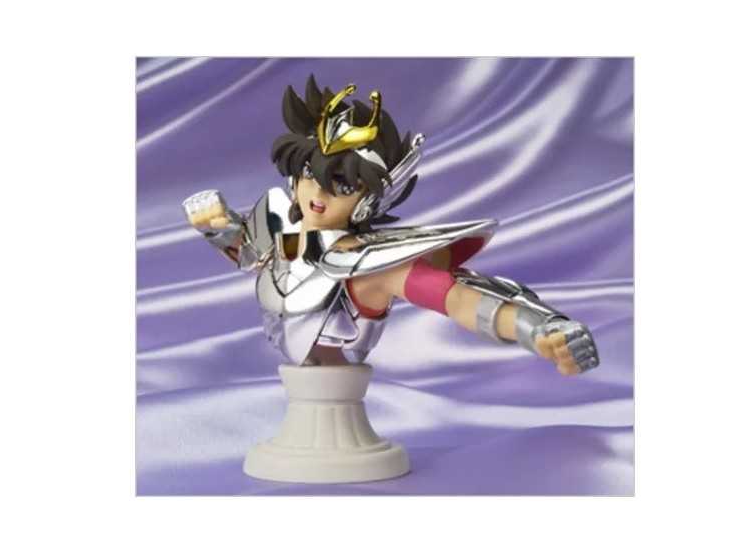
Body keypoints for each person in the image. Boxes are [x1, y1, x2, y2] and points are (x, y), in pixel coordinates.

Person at [183, 75, 599, 374]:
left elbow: (457, 298)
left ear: (368, 199)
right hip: (302, 395)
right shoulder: (278, 222)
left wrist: (538, 329)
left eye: (343, 184)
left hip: (338, 392)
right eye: (310, 171)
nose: (319, 192)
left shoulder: (370, 267)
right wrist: (217, 225)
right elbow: (252, 254)